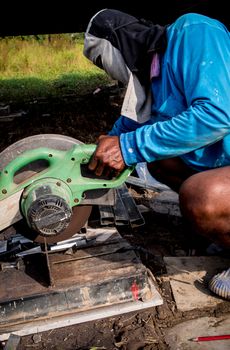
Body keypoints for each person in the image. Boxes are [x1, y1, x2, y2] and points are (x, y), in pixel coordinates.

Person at [83, 9, 230, 300]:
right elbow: (125, 131)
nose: (106, 71)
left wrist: (127, 148)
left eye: (102, 61)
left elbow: (216, 115)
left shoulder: (194, 31)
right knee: (159, 160)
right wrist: (97, 155)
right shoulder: (153, 76)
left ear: (118, 44)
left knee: (200, 196)